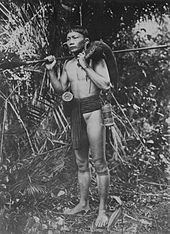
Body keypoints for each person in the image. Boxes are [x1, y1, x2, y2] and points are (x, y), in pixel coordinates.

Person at [45, 25, 111, 227]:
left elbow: (105, 84)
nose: (71, 40)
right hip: (75, 110)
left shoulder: (96, 60)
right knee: (81, 163)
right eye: (68, 38)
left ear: (86, 40)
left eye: (75, 37)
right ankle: (83, 203)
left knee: (99, 162)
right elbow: (59, 89)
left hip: (94, 109)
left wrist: (86, 66)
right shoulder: (68, 64)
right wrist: (51, 71)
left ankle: (102, 210)